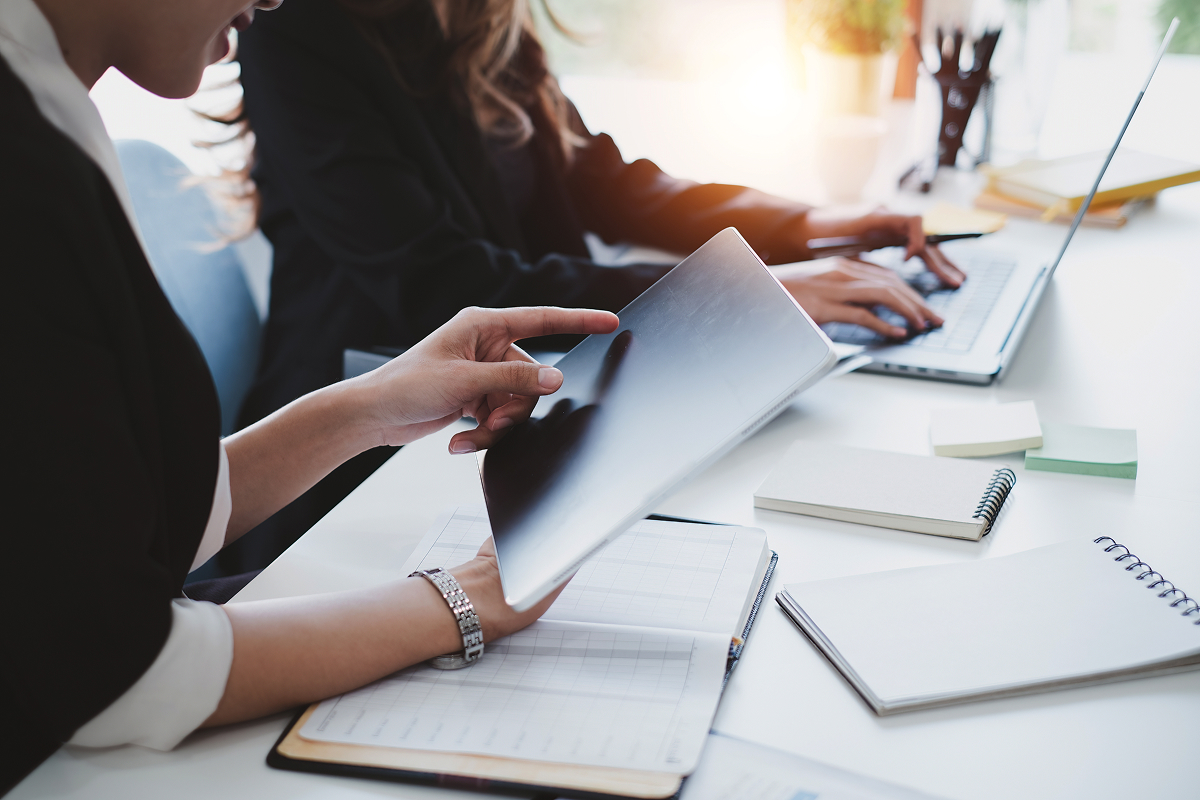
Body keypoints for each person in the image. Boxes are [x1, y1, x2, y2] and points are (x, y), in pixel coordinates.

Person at [0, 0, 617, 791]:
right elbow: (115, 676)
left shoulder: (46, 102)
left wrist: (370, 405)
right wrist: (464, 602)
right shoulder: (20, 175)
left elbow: (117, 519)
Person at [230, 0, 966, 571]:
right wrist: (741, 291)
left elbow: (602, 181)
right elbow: (442, 281)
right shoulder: (292, 28)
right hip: (368, 443)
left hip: (520, 393)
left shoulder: (476, 19)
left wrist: (810, 220)